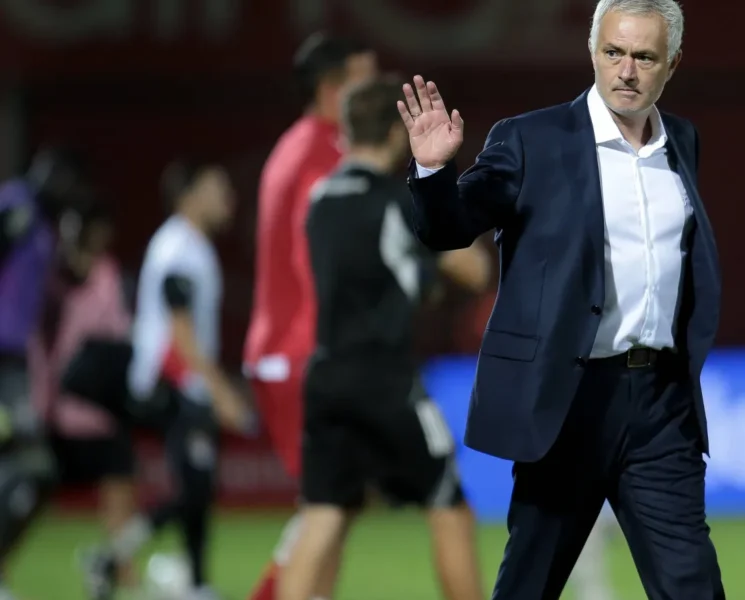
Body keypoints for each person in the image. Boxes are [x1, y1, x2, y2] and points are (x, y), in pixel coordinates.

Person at [398, 0, 725, 598]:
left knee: (693, 585)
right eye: (613, 52)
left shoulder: (682, 140)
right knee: (529, 584)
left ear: (672, 63)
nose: (626, 69)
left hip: (660, 406)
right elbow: (451, 227)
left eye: (644, 56)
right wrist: (432, 172)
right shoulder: (532, 139)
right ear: (593, 51)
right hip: (568, 399)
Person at [279, 77, 490, 600]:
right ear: (399, 136)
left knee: (324, 513)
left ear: (346, 133)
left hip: (326, 375)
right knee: (448, 505)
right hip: (385, 379)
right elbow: (473, 269)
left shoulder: (319, 199)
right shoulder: (398, 202)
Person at [243, 32, 376, 600]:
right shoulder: (322, 154)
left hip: (294, 352)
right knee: (329, 504)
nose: (381, 97)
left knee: (333, 504)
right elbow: (320, 259)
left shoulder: (300, 147)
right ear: (331, 89)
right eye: (366, 85)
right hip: (302, 355)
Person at [83, 160, 252, 600]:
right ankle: (141, 565)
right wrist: (221, 394)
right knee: (196, 484)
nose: (227, 199)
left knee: (198, 487)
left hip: (182, 382)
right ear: (189, 196)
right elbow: (179, 335)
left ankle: (187, 580)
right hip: (172, 383)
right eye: (218, 189)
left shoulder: (189, 245)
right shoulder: (180, 248)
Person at [27, 200, 138, 587]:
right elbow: (38, 348)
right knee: (29, 491)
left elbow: (121, 333)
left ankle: (123, 570)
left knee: (120, 486)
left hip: (102, 407)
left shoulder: (109, 276)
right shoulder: (48, 282)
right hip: (59, 409)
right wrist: (39, 405)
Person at [0, 146, 88, 599]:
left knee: (32, 471)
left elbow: (64, 287)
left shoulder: (46, 228)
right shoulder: (14, 202)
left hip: (15, 364)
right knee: (27, 466)